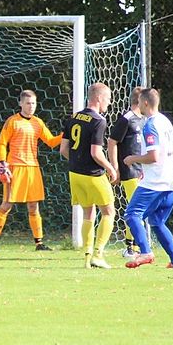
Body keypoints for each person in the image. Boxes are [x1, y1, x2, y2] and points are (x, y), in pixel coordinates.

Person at [0, 90, 62, 252]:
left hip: (33, 168)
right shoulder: (12, 121)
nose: (31, 106)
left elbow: (51, 141)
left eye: (33, 103)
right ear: (21, 103)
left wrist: (66, 134)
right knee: (7, 204)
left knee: (34, 206)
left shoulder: (38, 122)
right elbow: (2, 143)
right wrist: (2, 163)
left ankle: (39, 244)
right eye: (28, 103)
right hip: (15, 167)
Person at [123, 88, 173, 269]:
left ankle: (145, 252)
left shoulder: (150, 125)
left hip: (154, 183)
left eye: (139, 102)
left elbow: (153, 156)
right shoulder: (165, 121)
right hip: (169, 183)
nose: (138, 105)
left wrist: (132, 159)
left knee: (132, 214)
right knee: (157, 222)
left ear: (145, 103)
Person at [60, 82, 119, 269]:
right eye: (108, 99)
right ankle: (98, 254)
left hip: (75, 174)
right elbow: (96, 153)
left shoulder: (73, 117)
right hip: (93, 175)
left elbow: (63, 149)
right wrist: (110, 168)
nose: (109, 103)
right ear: (99, 98)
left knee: (88, 212)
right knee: (109, 212)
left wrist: (78, 161)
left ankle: (87, 256)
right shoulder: (98, 121)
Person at [107, 86, 146, 257]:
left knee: (139, 209)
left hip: (141, 170)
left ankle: (134, 246)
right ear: (141, 101)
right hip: (129, 170)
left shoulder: (144, 119)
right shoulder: (126, 119)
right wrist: (115, 167)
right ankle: (131, 248)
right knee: (135, 209)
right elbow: (112, 142)